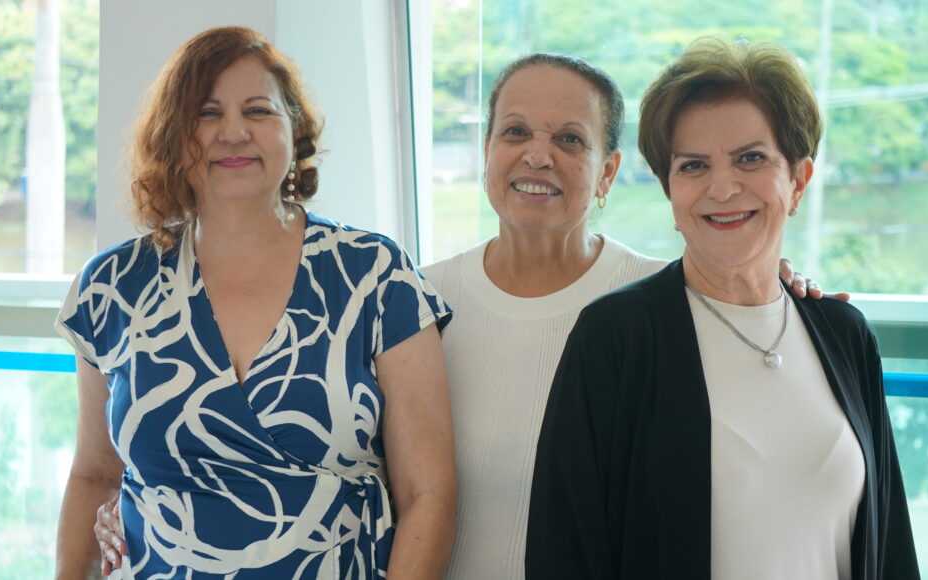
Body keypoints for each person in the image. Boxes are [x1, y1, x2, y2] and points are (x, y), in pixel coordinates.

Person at [93, 50, 833, 579]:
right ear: (485, 153)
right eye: (515, 133)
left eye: (569, 139)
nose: (537, 156)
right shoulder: (413, 301)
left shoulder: (665, 305)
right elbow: (330, 459)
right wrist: (137, 503)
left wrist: (789, 292)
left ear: (608, 171)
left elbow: (756, 351)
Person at [54, 27, 456, 579]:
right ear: (174, 135)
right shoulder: (113, 286)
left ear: (295, 129)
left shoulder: (374, 273)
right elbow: (94, 476)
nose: (234, 132)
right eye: (207, 113)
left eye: (258, 111)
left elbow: (428, 494)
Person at [524, 38, 919, 580]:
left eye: (750, 158)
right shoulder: (615, 337)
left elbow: (891, 545)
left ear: (798, 180)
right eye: (693, 165)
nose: (723, 187)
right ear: (670, 192)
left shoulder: (844, 334)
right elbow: (564, 550)